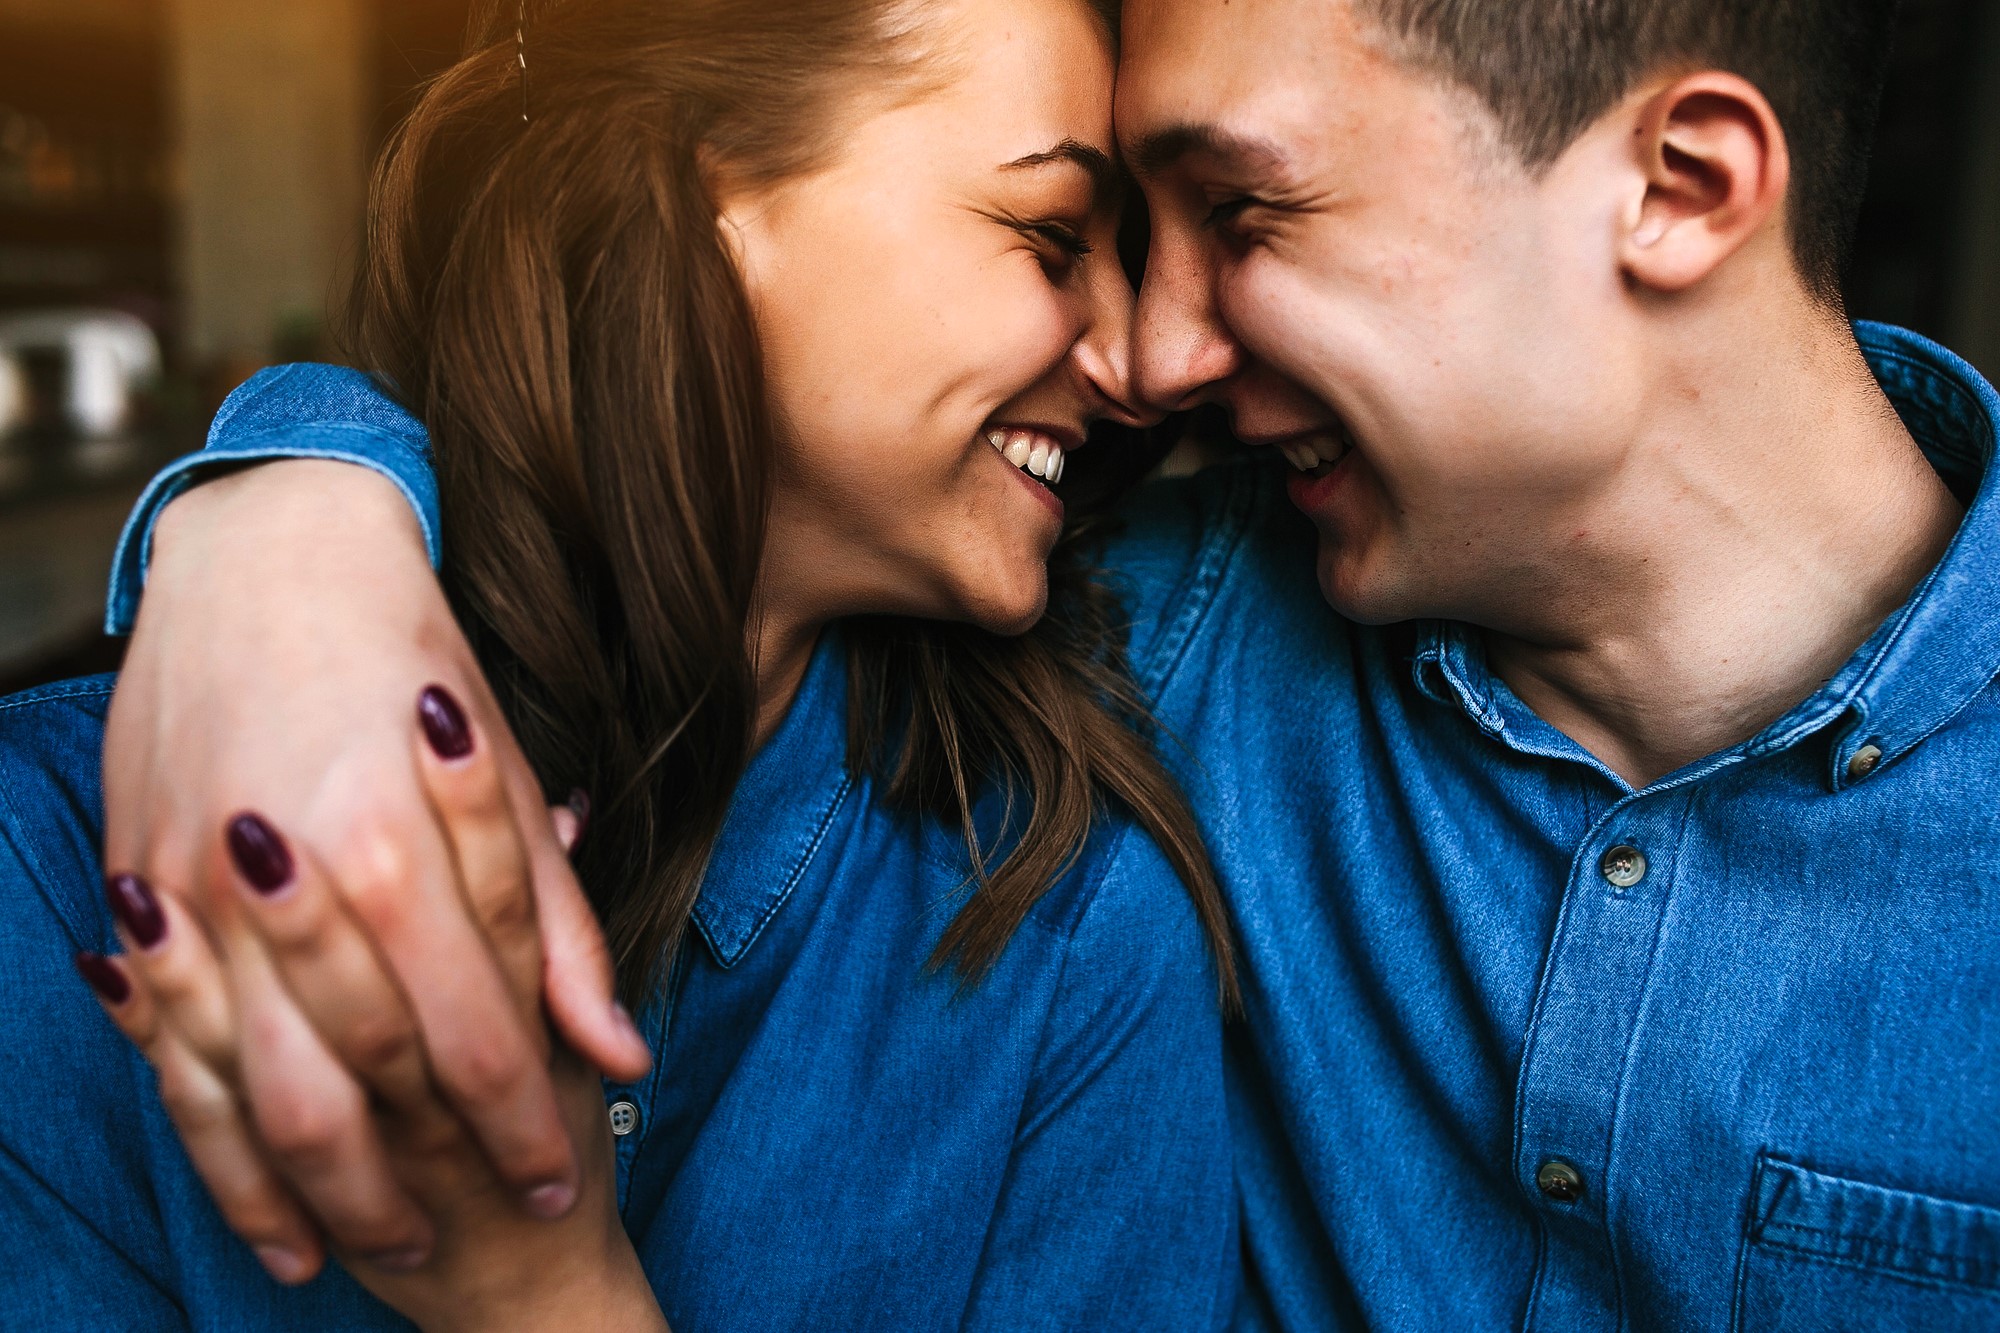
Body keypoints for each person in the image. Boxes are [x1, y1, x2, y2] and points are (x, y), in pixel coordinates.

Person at [38, 0, 2000, 1328]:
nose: (1146, 358)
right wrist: (284, 517)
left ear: (1679, 187)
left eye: (1242, 212)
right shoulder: (1137, 641)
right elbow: (666, 471)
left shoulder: (1107, 783)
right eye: (1078, 228)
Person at [0, 0, 1244, 1328]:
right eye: (1052, 237)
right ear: (716, 185)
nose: (1136, 367)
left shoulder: (1073, 937)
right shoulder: (49, 867)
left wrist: (545, 1293)